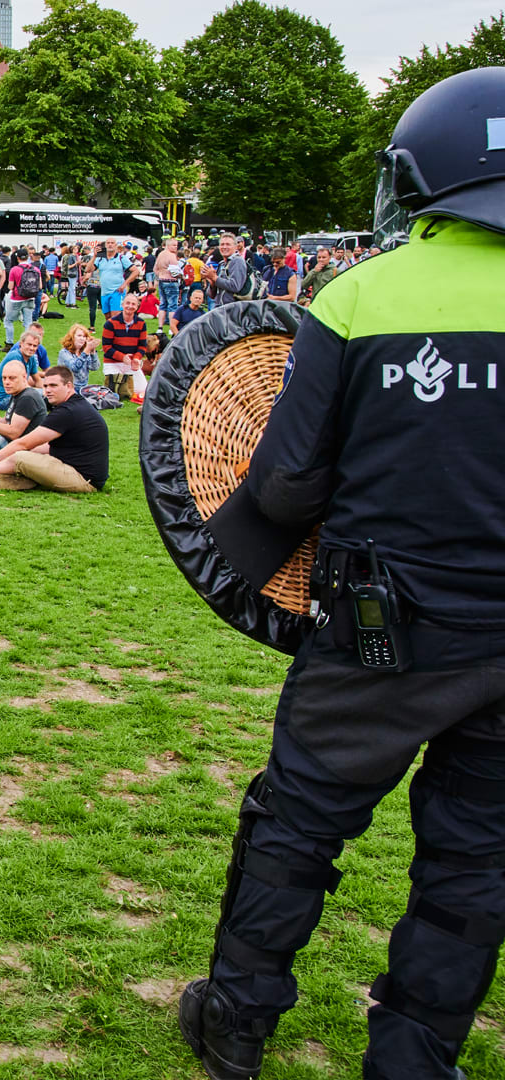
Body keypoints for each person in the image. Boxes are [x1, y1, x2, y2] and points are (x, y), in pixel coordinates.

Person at [177, 68, 505, 1080]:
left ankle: (236, 1017)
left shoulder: (362, 294)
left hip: (380, 630)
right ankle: (416, 1056)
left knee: (299, 822)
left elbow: (284, 483)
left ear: (419, 176)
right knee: (476, 859)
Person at [0, 366, 107, 492]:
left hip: (84, 480)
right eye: (45, 386)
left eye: (54, 386)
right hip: (70, 464)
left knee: (20, 457)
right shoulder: (72, 406)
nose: (48, 391)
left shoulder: (68, 411)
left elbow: (22, 442)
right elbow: (46, 446)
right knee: (30, 452)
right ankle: (25, 479)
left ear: (69, 386)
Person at [101, 294, 151, 400]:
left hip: (131, 363)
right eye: (127, 303)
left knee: (143, 391)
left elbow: (142, 346)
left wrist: (137, 358)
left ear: (137, 307)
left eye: (133, 304)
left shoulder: (141, 323)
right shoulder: (110, 323)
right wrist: (122, 357)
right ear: (122, 305)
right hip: (112, 362)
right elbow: (106, 347)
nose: (130, 306)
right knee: (117, 392)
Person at [0, 323, 49, 409]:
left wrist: (46, 390)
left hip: (19, 394)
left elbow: (37, 380)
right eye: (29, 344)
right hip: (4, 399)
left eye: (34, 346)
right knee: (41, 397)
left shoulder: (31, 358)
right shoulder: (15, 356)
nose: (31, 348)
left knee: (51, 393)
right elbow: (21, 386)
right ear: (21, 344)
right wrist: (41, 393)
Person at [58, 323, 102, 390]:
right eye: (79, 336)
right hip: (68, 389)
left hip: (83, 388)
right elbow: (74, 368)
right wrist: (87, 350)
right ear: (72, 337)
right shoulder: (64, 353)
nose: (82, 339)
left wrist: (93, 352)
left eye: (84, 336)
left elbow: (94, 367)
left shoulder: (84, 352)